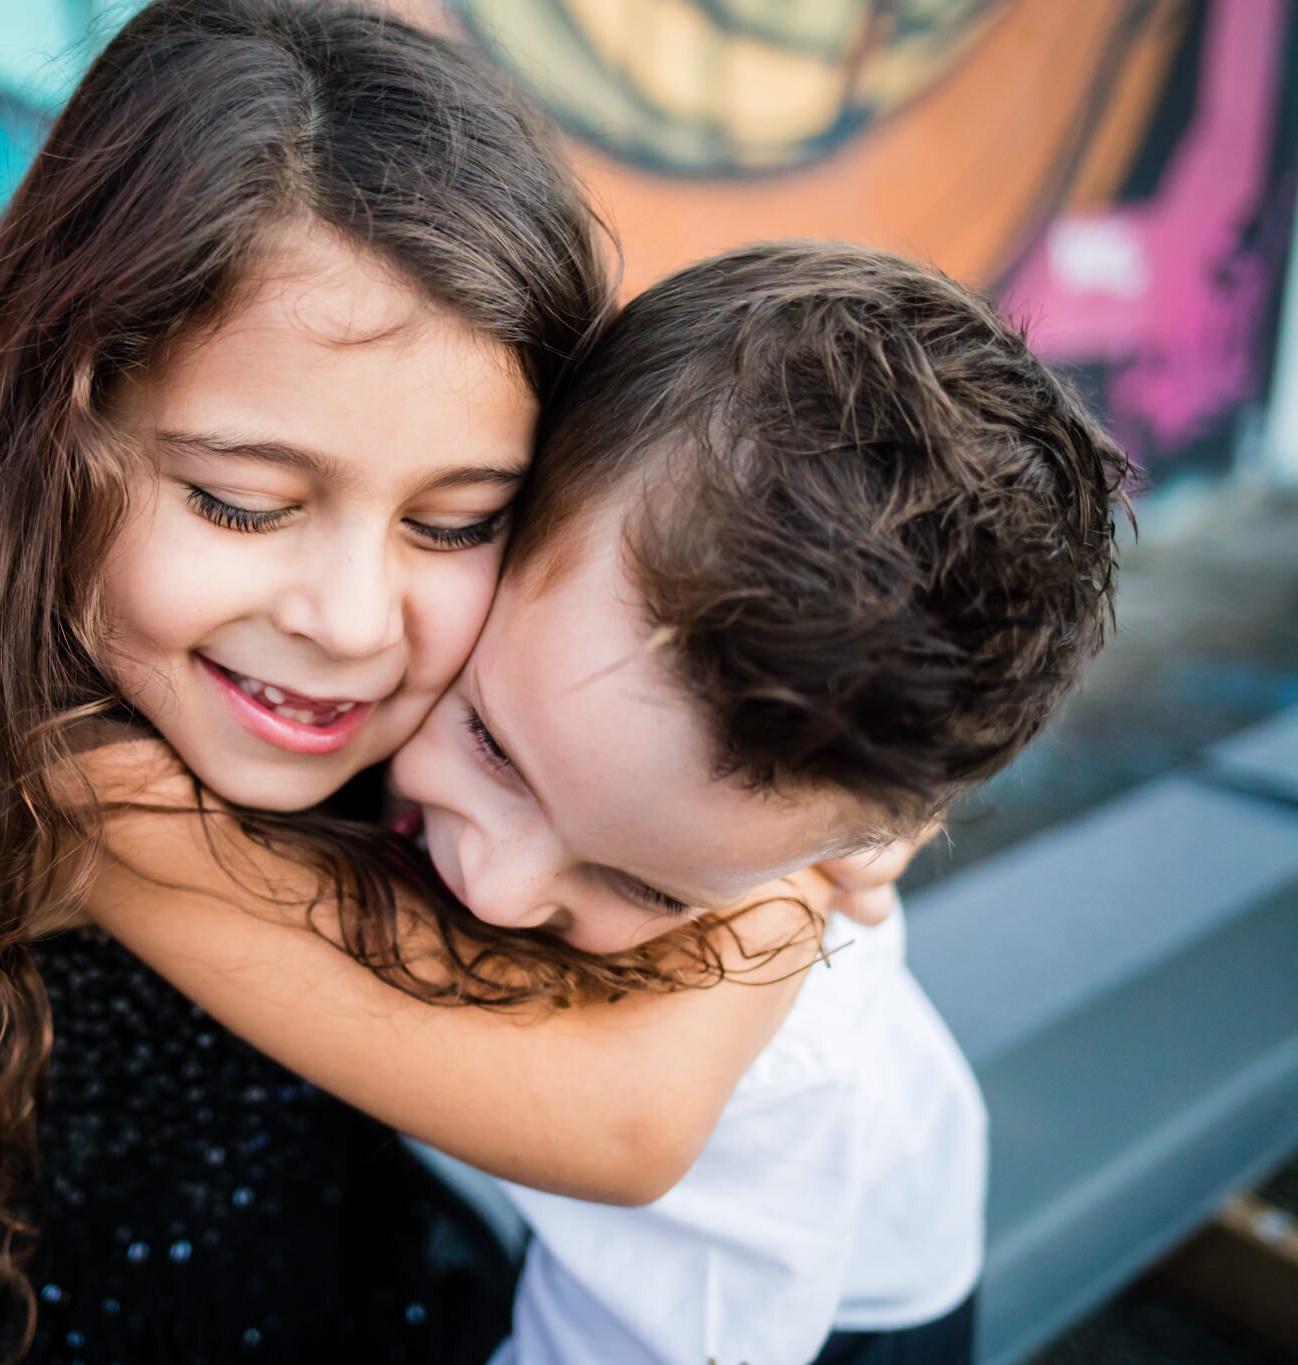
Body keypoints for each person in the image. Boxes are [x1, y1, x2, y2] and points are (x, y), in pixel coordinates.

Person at [0, 3, 788, 1363]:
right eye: (244, 504)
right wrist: (799, 858)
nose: (350, 620)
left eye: (455, 522)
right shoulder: (94, 804)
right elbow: (626, 1123)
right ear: (58, 436)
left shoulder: (450, 714)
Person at [84, 240, 1135, 1364]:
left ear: (837, 852)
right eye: (490, 745)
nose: (495, 889)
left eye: (641, 883)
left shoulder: (768, 1106)